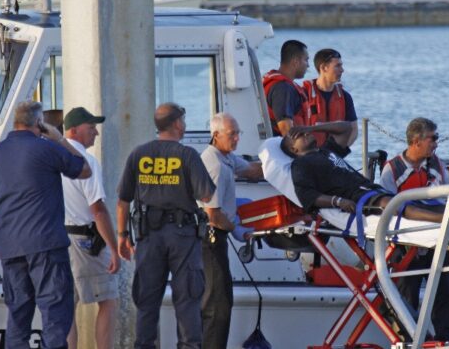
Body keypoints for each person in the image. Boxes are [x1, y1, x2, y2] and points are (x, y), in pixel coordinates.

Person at [0, 100, 91, 348]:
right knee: (55, 315)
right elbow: (85, 170)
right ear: (39, 123)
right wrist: (59, 139)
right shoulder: (47, 148)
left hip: (10, 248)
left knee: (18, 315)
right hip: (46, 246)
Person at [116, 102, 216, 349]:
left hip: (148, 238)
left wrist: (122, 235)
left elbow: (122, 201)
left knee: (147, 304)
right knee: (188, 302)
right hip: (182, 238)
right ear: (177, 124)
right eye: (183, 120)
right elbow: (206, 196)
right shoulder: (187, 155)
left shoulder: (138, 154)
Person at [378, 117, 449, 343]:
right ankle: (406, 341)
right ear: (416, 141)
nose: (436, 143)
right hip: (406, 245)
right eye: (433, 138)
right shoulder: (392, 170)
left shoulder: (439, 166)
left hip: (434, 243)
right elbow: (386, 206)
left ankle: (444, 340)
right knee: (406, 296)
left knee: (443, 295)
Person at [281, 121, 442, 222]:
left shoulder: (326, 151)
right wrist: (338, 201)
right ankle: (443, 220)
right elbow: (307, 195)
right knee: (391, 204)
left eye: (304, 132)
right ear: (294, 149)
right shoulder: (300, 164)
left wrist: (312, 127)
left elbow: (346, 129)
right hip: (354, 198)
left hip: (369, 189)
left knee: (408, 201)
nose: (306, 134)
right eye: (300, 136)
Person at [199, 113, 263, 349]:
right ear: (216, 136)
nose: (237, 138)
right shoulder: (215, 165)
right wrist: (239, 230)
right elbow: (212, 215)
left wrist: (284, 162)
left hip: (216, 237)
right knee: (218, 304)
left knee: (219, 301)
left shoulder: (225, 157)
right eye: (232, 134)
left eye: (238, 133)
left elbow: (252, 171)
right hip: (209, 238)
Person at [61, 107, 120, 349]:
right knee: (109, 301)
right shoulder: (86, 161)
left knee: (66, 306)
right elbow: (98, 210)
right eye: (91, 127)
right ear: (74, 130)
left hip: (57, 239)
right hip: (84, 240)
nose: (96, 132)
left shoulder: (51, 157)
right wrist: (114, 249)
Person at [302, 48, 358, 146]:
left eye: (342, 65)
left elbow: (354, 130)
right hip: (309, 155)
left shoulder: (345, 97)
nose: (342, 70)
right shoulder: (303, 94)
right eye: (337, 66)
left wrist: (340, 152)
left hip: (334, 156)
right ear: (323, 68)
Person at [263, 40, 309, 137]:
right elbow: (286, 131)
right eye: (306, 60)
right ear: (295, 62)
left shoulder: (279, 83)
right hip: (285, 149)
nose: (308, 65)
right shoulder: (283, 88)